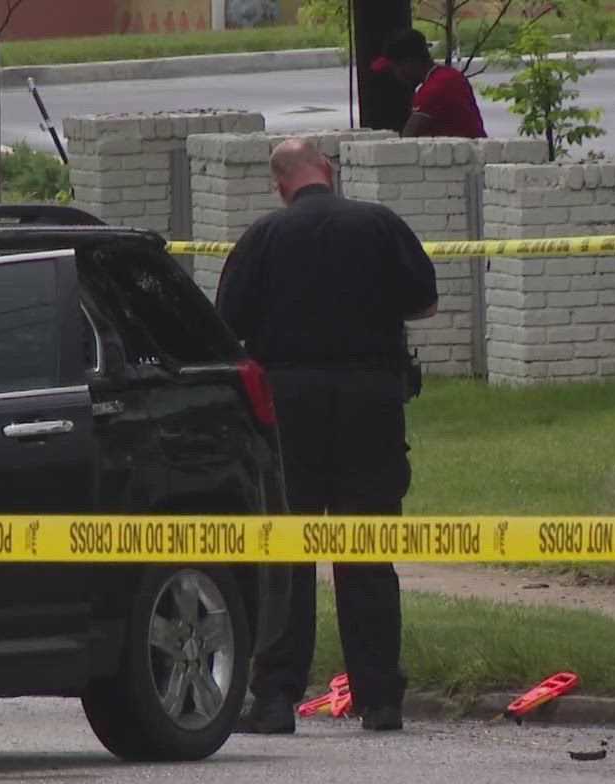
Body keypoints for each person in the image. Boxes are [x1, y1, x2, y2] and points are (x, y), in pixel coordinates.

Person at [215, 138, 439, 734]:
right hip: (371, 404)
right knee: (366, 551)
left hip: (288, 409)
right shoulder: (379, 224)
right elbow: (425, 303)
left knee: (289, 552)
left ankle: (275, 699)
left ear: (279, 184)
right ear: (327, 170)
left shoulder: (262, 238)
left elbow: (226, 326)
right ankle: (382, 700)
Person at [374, 26, 487, 138]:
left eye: (394, 67)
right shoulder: (451, 75)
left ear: (408, 61)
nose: (396, 74)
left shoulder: (433, 88)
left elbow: (407, 140)